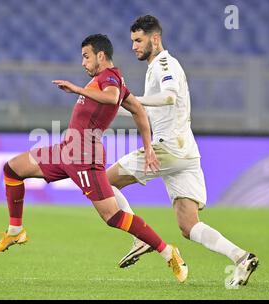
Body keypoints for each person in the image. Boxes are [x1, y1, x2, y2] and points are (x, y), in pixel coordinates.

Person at [0, 34, 188, 282]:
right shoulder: (107, 81)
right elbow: (138, 109)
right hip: (66, 151)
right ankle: (15, 230)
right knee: (12, 169)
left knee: (113, 217)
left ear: (101, 56)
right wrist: (148, 147)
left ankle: (168, 251)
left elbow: (111, 97)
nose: (83, 62)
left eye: (86, 56)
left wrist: (76, 89)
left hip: (85, 157)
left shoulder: (109, 78)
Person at [107, 15, 258, 287]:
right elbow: (152, 110)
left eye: (138, 40)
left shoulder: (165, 63)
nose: (134, 46)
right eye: (132, 41)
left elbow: (169, 97)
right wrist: (114, 107)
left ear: (155, 38)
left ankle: (139, 237)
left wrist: (132, 99)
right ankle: (242, 257)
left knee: (105, 181)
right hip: (186, 152)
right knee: (189, 225)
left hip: (168, 149)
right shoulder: (156, 66)